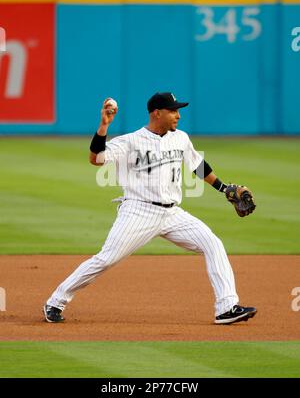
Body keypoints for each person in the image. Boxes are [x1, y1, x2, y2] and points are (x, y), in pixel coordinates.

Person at [43, 92, 257, 325]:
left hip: (172, 214)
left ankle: (226, 308)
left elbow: (198, 166)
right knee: (105, 260)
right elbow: (96, 159)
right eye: (173, 110)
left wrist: (223, 187)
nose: (178, 115)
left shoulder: (181, 138)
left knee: (213, 244)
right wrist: (104, 126)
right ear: (157, 113)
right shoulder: (131, 141)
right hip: (138, 212)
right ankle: (55, 301)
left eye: (178, 110)